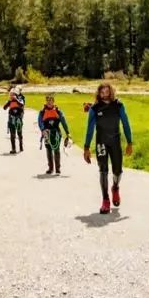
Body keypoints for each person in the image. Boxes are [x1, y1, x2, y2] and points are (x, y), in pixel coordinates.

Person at [82, 83, 133, 214]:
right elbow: (90, 129)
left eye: (107, 91)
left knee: (118, 170)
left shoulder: (119, 106)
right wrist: (86, 147)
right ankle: (105, 200)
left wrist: (129, 142)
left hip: (115, 142)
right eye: (102, 91)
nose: (105, 93)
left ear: (111, 92)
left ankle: (115, 188)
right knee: (103, 170)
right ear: (98, 93)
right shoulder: (94, 109)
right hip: (101, 143)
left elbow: (126, 124)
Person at [37, 95, 71, 175]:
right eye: (48, 100)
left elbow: (63, 122)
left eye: (51, 100)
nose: (49, 102)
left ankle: (58, 168)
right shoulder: (42, 112)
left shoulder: (58, 111)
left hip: (56, 133)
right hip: (46, 133)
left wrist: (67, 132)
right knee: (48, 150)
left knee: (56, 149)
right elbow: (40, 122)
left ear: (53, 101)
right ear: (46, 101)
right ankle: (50, 168)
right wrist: (43, 130)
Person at [3, 86, 26, 154]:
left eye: (13, 94)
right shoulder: (9, 101)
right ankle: (13, 149)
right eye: (11, 94)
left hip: (18, 118)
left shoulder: (20, 100)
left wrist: (16, 99)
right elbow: (4, 108)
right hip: (11, 118)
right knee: (12, 134)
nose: (11, 95)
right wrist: (8, 102)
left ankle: (21, 146)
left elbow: (22, 105)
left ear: (16, 94)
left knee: (19, 133)